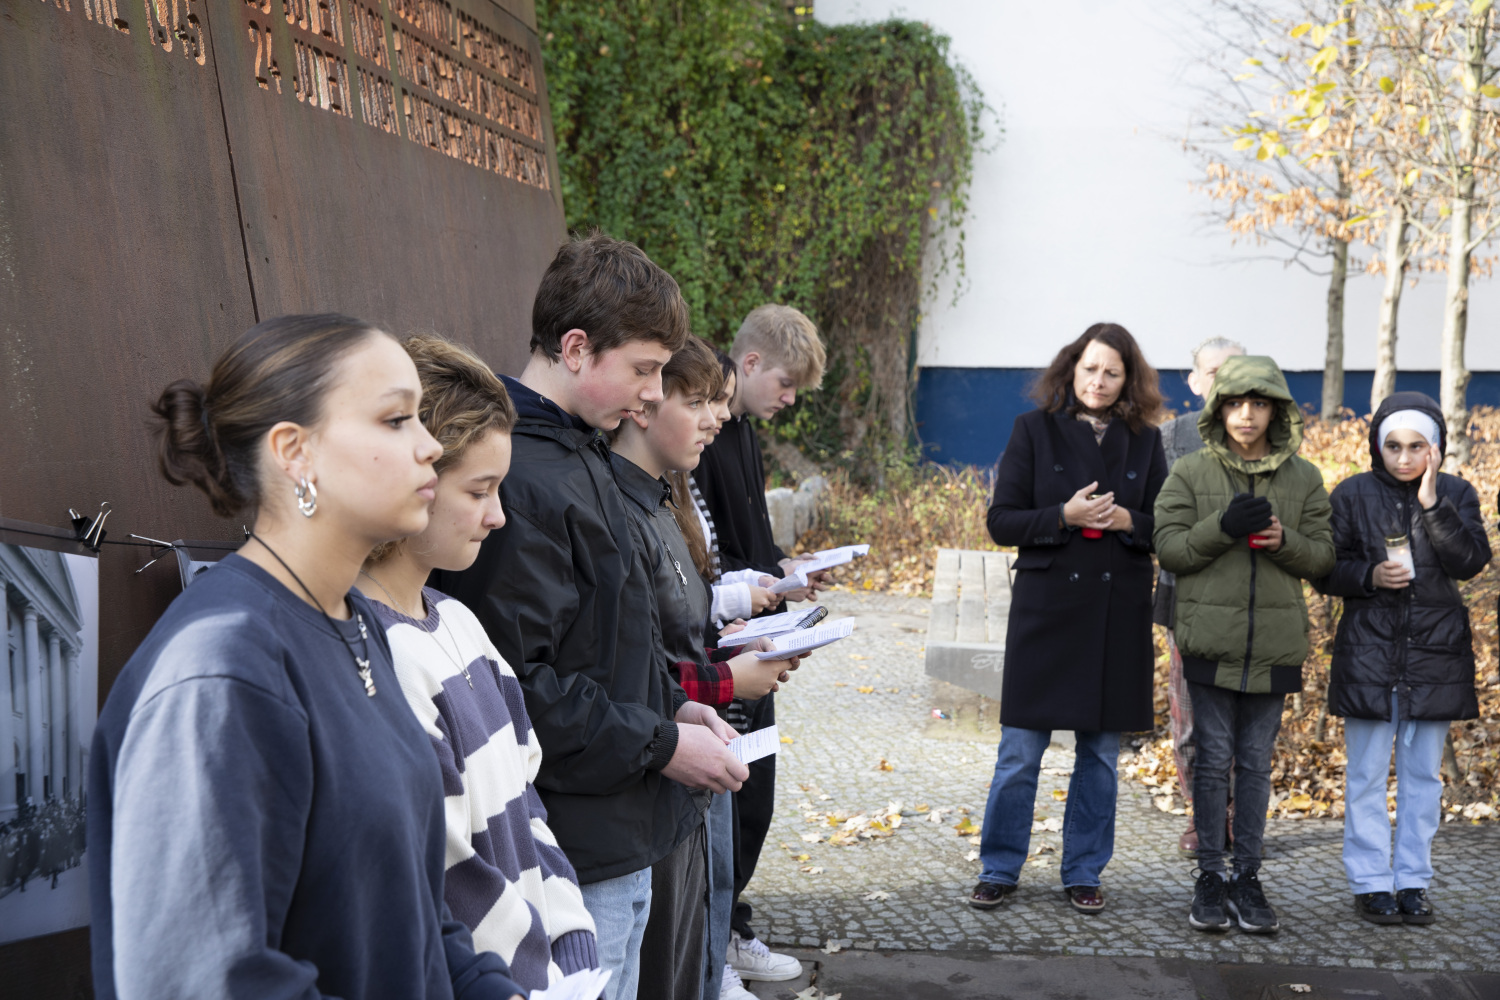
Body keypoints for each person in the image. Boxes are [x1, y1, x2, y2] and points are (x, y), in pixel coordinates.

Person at [88, 315, 525, 999]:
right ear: (294, 451)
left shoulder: (355, 626)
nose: (430, 446)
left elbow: (411, 910)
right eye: (395, 419)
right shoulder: (220, 668)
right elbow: (204, 979)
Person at [431, 233, 747, 1000]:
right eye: (643, 370)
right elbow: (517, 687)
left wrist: (674, 709)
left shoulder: (587, 458)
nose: (652, 394)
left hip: (623, 826)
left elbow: (602, 646)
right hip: (578, 845)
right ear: (576, 348)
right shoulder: (529, 481)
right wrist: (662, 740)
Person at [355, 335, 604, 990]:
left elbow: (529, 817)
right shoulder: (377, 654)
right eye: (480, 490)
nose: (498, 516)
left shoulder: (462, 624)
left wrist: (575, 957)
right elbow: (450, 875)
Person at [610, 336, 803, 1000]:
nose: (716, 418)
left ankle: (715, 960)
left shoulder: (663, 498)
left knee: (714, 872)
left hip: (687, 726)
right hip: (650, 768)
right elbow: (636, 659)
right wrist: (724, 680)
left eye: (716, 403)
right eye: (699, 402)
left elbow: (683, 615)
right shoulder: (628, 505)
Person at [971, 322, 1168, 916]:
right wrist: (1063, 513)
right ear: (1071, 370)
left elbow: (1166, 528)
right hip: (1047, 611)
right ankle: (999, 866)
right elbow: (1001, 521)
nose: (1099, 381)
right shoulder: (1033, 430)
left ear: (1128, 379)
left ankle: (1083, 870)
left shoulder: (1146, 441)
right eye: (1090, 369)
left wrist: (1128, 523)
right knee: (1019, 754)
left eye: (1112, 372)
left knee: (1100, 757)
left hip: (1115, 616)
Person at [1154, 354, 1335, 936]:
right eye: (1235, 403)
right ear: (1218, 408)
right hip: (1209, 641)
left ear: (1277, 410)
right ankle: (1210, 875)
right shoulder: (1190, 473)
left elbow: (1325, 559)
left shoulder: (1304, 478)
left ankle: (1248, 877)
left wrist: (1284, 541)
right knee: (1210, 765)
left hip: (1275, 646)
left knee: (1255, 767)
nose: (1247, 415)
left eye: (1259, 404)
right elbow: (1171, 550)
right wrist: (1223, 528)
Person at [1314, 392, 1490, 926]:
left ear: (1435, 448)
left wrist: (1434, 503)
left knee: (1424, 777)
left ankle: (1413, 878)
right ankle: (1370, 882)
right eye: (1393, 446)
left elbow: (1469, 562)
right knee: (1366, 775)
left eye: (1417, 447)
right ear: (1377, 446)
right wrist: (1368, 577)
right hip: (1369, 652)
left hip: (1435, 655)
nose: (1404, 458)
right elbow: (1325, 568)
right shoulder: (1351, 494)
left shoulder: (1457, 493)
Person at [692, 305, 827, 984]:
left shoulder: (740, 434)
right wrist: (757, 591)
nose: (791, 397)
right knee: (733, 799)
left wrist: (791, 576)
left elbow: (750, 543)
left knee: (756, 793)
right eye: (785, 381)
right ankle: (718, 944)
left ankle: (731, 927)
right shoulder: (707, 439)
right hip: (723, 651)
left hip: (754, 640)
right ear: (748, 364)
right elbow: (708, 563)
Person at [1153, 336, 1246, 856]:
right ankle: (1201, 816)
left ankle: (1235, 815)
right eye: (1211, 371)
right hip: (1185, 596)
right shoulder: (1170, 438)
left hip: (1251, 599)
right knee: (1189, 715)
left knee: (1240, 716)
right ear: (1194, 381)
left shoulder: (1269, 439)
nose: (1221, 380)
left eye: (1232, 370)